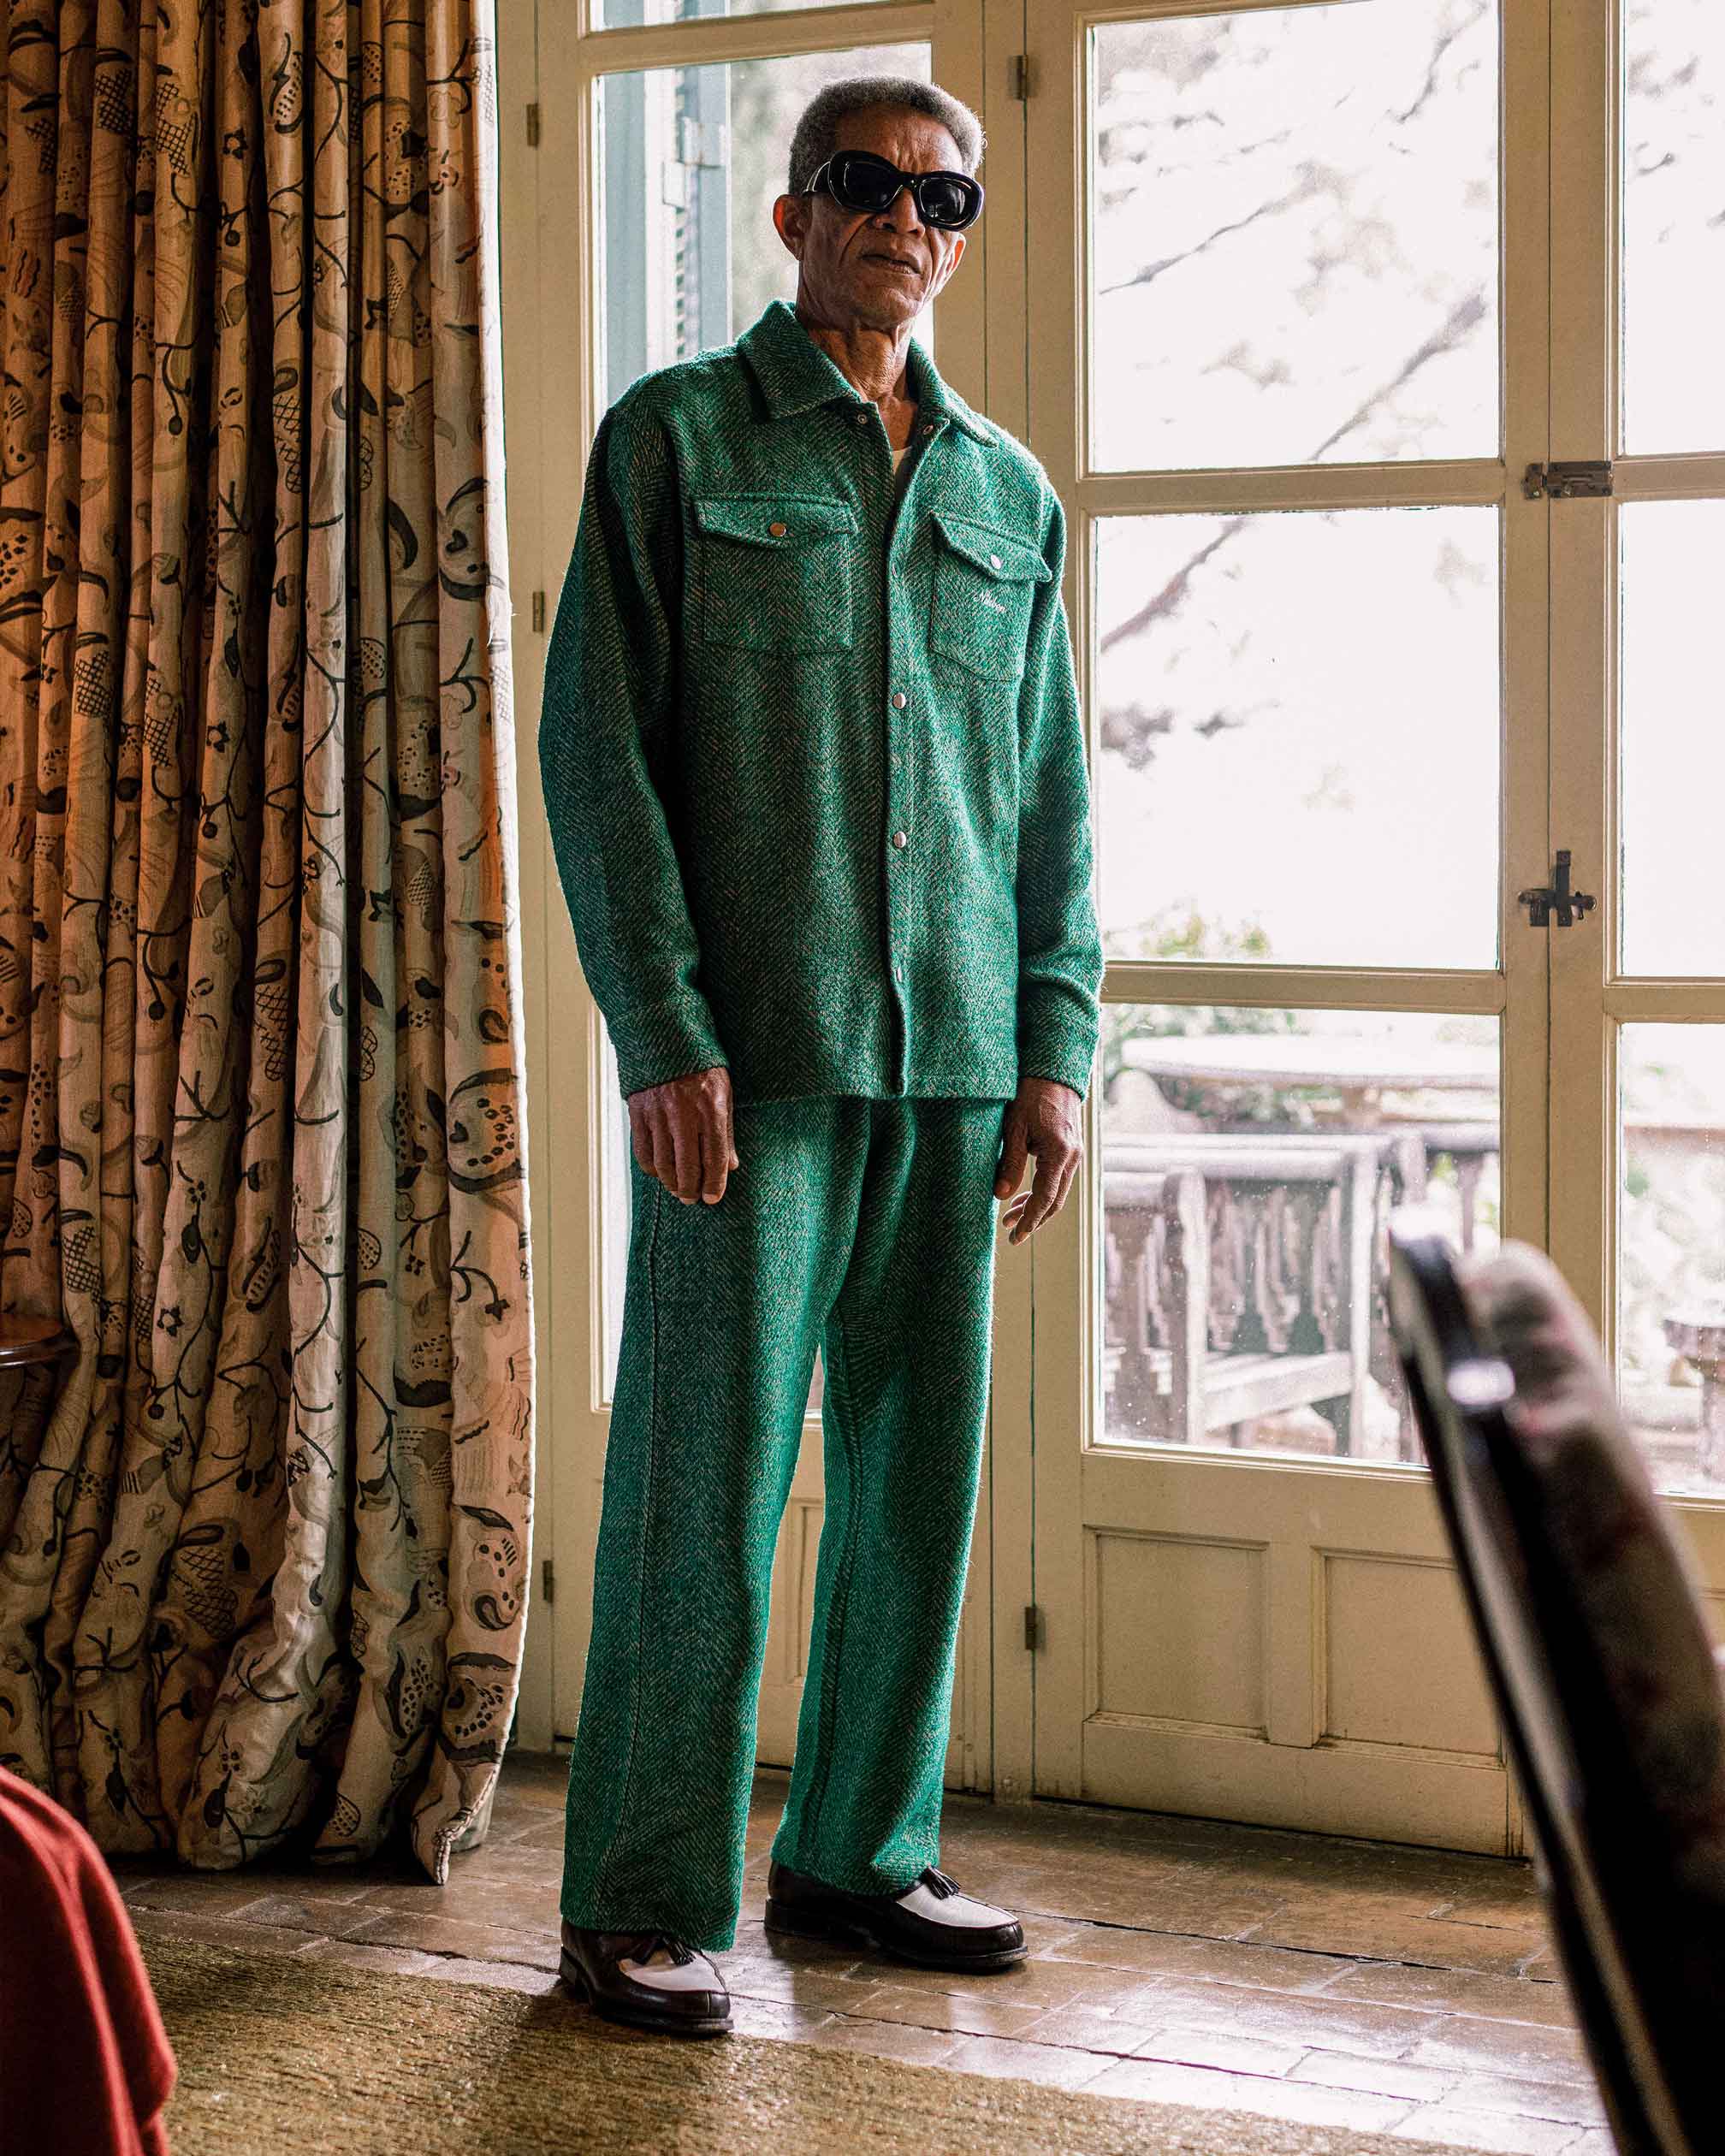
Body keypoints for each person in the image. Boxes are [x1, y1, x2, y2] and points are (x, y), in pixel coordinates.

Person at [539, 73, 1103, 2039]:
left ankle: (861, 1857)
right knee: (703, 1486)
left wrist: (1057, 1047)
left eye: (943, 198)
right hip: (749, 1069)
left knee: (916, 1491)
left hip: (955, 1064)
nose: (905, 220)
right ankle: (637, 1899)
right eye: (867, 184)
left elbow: (1051, 801)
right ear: (792, 216)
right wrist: (662, 1031)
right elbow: (598, 760)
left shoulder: (1008, 494)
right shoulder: (675, 439)